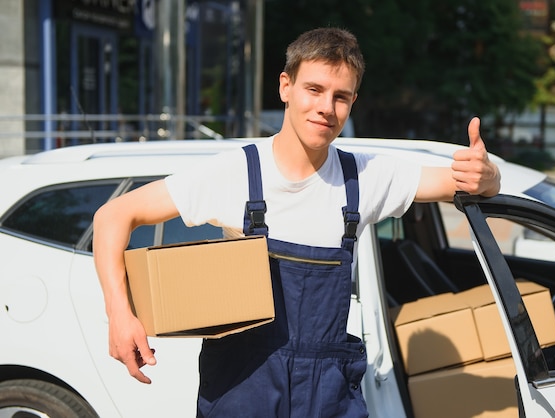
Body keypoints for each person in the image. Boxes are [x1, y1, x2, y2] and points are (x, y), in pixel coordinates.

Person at [93, 27, 500, 417]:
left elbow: (468, 183)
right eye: (314, 89)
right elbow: (114, 215)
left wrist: (489, 175)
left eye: (341, 96)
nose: (326, 107)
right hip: (243, 389)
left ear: (353, 102)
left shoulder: (365, 177)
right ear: (285, 86)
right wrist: (119, 313)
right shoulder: (235, 173)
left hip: (327, 394)